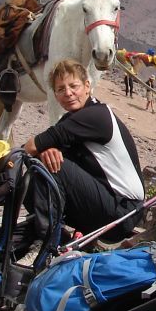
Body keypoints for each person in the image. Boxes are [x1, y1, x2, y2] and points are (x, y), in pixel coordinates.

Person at [22, 60, 145, 254]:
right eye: (61, 89)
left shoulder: (96, 115)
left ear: (87, 86)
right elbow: (38, 148)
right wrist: (46, 150)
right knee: (39, 169)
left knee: (51, 167)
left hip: (123, 212)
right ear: (55, 95)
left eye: (74, 86)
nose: (68, 93)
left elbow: (30, 147)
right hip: (108, 205)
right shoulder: (73, 118)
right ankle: (56, 236)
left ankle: (44, 245)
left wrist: (42, 150)